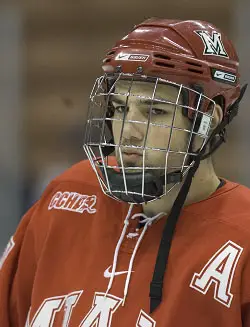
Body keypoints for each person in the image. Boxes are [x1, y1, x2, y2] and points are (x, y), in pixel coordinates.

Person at [0, 18, 249, 327]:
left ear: (207, 119)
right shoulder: (67, 197)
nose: (128, 132)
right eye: (120, 108)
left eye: (154, 111)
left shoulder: (244, 236)